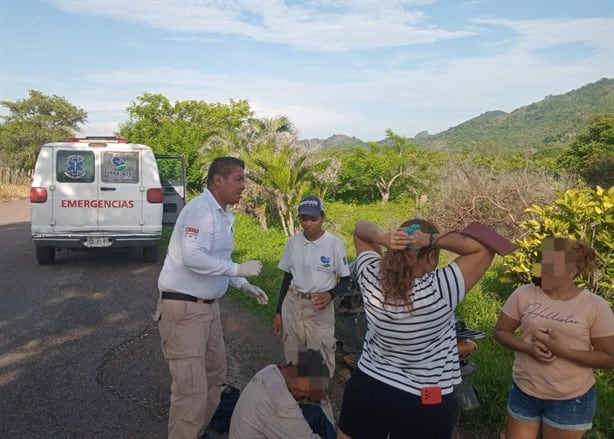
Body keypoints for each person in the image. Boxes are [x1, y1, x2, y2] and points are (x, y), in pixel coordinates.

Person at [338, 219, 514, 439]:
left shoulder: (372, 277)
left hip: (369, 384)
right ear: (431, 258)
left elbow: (360, 229)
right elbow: (484, 247)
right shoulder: (439, 291)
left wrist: (384, 237)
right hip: (423, 399)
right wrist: (431, 239)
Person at [155, 156, 269, 439]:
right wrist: (237, 268)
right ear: (218, 179)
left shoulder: (222, 213)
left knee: (214, 376)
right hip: (184, 309)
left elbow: (218, 259)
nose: (244, 186)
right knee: (190, 389)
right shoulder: (200, 211)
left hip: (208, 309)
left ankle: (199, 431)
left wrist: (242, 283)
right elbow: (194, 257)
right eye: (239, 179)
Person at [494, 236, 614, 439]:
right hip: (524, 391)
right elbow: (500, 332)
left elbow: (610, 357)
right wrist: (526, 348)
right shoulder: (524, 294)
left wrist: (561, 350)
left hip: (570, 400)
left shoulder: (595, 306)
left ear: (572, 272)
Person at [273, 195, 351, 378]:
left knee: (319, 361)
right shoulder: (293, 242)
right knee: (294, 357)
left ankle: (318, 402)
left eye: (313, 219)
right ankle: (296, 400)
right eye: (304, 218)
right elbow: (287, 278)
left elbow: (346, 280)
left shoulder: (334, 244)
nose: (308, 223)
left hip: (318, 308)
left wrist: (331, 294)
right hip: (292, 303)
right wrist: (278, 312)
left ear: (322, 218)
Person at [228, 349, 336, 439]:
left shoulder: (271, 370)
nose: (303, 399)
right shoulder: (283, 406)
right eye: (304, 395)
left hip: (248, 430)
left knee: (314, 412)